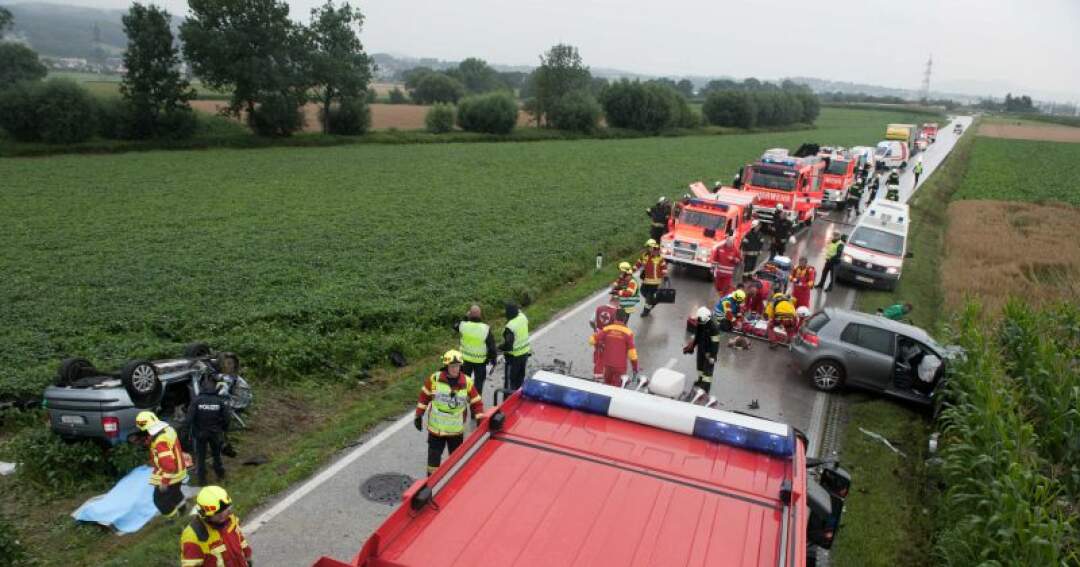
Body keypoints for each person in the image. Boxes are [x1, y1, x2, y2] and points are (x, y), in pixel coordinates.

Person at [415, 350, 485, 475]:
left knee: (456, 462)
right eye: (452, 366)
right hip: (436, 431)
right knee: (433, 462)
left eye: (457, 366)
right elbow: (424, 396)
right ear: (446, 366)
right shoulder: (435, 379)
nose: (455, 369)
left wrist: (480, 418)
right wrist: (419, 414)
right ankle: (430, 484)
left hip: (455, 432)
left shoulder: (467, 382)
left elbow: (476, 401)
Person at [180, 486, 252, 567]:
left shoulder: (230, 519)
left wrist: (247, 555)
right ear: (204, 513)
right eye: (216, 513)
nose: (222, 515)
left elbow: (240, 539)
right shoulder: (194, 536)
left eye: (224, 510)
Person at [134, 411, 188, 517]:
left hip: (171, 475)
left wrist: (164, 482)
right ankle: (183, 511)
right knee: (175, 494)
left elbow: (169, 466)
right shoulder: (168, 429)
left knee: (159, 501)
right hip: (180, 470)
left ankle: (173, 519)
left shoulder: (159, 442)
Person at [186, 378, 232, 487]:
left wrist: (190, 431)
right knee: (216, 455)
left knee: (200, 457)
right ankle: (220, 476)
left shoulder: (196, 401)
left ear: (202, 388)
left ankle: (202, 482)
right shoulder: (219, 401)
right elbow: (227, 418)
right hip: (215, 433)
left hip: (200, 434)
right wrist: (223, 429)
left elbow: (189, 419)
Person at [454, 305, 497, 396]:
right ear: (480, 315)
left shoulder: (463, 326)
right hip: (480, 362)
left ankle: (462, 403)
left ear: (470, 314)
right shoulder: (485, 329)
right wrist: (492, 359)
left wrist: (465, 317)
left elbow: (455, 325)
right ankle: (476, 405)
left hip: (465, 361)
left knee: (463, 383)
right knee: (478, 385)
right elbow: (492, 347)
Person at [589, 310, 639, 386]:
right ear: (625, 318)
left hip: (608, 365)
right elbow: (632, 355)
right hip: (620, 367)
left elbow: (592, 341)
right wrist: (635, 368)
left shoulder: (607, 329)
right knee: (616, 389)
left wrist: (600, 343)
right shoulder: (628, 333)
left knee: (607, 386)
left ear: (615, 317)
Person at [683, 307, 721, 392]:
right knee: (700, 366)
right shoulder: (701, 322)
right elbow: (698, 335)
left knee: (707, 372)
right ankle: (700, 381)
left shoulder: (714, 327)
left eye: (701, 320)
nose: (700, 322)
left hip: (709, 351)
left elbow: (715, 344)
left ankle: (705, 388)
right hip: (701, 348)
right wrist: (692, 346)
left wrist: (713, 356)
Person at [499, 302, 530, 391]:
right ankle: (519, 399)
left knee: (510, 383)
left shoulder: (510, 326)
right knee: (520, 380)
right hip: (524, 354)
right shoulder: (522, 317)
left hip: (513, 358)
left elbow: (508, 346)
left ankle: (509, 401)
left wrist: (498, 348)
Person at [634, 239, 668, 317]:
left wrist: (665, 275)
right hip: (646, 281)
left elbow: (664, 268)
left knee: (649, 297)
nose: (648, 248)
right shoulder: (644, 256)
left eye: (649, 247)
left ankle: (645, 311)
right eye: (647, 247)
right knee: (643, 291)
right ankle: (653, 302)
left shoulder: (659, 258)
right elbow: (638, 264)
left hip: (655, 282)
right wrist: (630, 271)